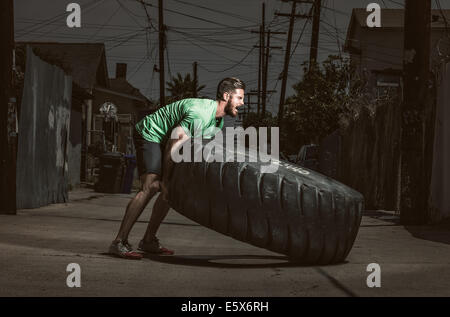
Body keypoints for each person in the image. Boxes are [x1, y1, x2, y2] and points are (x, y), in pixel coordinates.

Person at [108, 77, 246, 259]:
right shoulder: (200, 114)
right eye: (239, 98)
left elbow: (192, 151)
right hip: (151, 132)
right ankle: (119, 242)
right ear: (226, 96)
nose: (242, 103)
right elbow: (173, 144)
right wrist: (165, 181)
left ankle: (148, 240)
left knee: (170, 192)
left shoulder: (216, 122)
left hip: (166, 141)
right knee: (152, 186)